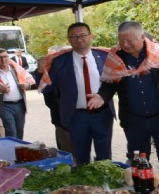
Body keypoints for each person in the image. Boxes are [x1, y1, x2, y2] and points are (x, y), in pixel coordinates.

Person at [90, 21, 159, 170]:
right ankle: (142, 190)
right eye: (122, 40)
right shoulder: (116, 57)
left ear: (142, 37)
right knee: (138, 162)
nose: (125, 44)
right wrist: (101, 97)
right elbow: (110, 84)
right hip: (134, 119)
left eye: (130, 40)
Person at [45, 23, 115, 165]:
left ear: (90, 37)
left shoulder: (105, 57)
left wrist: (103, 96)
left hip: (102, 114)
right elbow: (47, 88)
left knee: (105, 157)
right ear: (69, 40)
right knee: (81, 157)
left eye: (83, 35)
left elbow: (114, 82)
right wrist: (40, 72)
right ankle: (85, 187)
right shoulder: (59, 61)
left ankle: (106, 185)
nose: (79, 39)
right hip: (76, 116)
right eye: (74, 36)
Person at [0, 49, 35, 140]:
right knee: (11, 132)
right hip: (4, 106)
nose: (3, 60)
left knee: (19, 131)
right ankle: (11, 152)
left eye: (5, 57)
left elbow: (30, 82)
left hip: (20, 105)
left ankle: (18, 151)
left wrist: (27, 86)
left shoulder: (16, 69)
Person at [40, 46, 72, 152]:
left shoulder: (71, 69)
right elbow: (49, 99)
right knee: (65, 149)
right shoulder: (48, 74)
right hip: (60, 119)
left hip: (78, 118)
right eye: (49, 56)